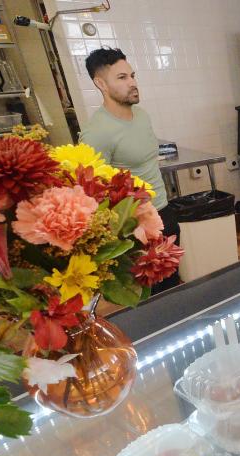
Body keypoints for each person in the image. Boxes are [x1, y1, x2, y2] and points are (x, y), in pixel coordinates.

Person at [80, 47, 179, 292]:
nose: (133, 83)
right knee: (149, 295)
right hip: (134, 227)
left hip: (163, 211)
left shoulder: (141, 115)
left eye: (132, 75)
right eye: (122, 78)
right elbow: (91, 190)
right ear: (100, 83)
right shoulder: (97, 132)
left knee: (173, 286)